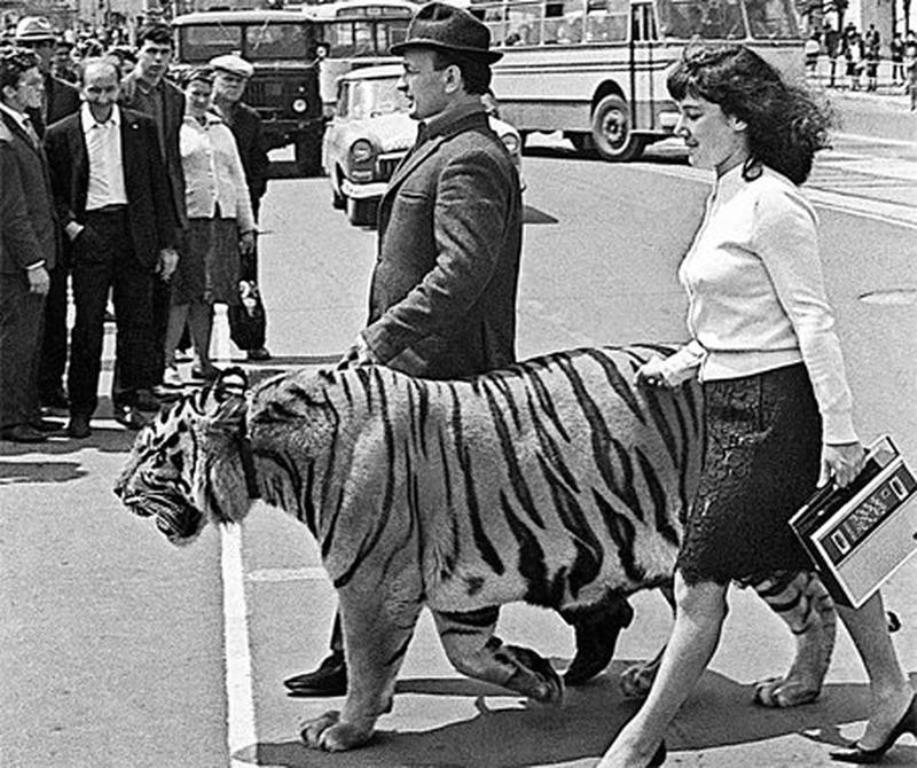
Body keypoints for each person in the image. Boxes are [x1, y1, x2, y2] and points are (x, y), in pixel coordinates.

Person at [283, 0, 631, 699]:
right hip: (416, 368)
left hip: (448, 373)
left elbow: (461, 272)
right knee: (389, 512)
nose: (403, 83)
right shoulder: (440, 141)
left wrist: (385, 335)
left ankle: (593, 608)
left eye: (413, 71)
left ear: (450, 77)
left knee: (470, 521)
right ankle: (350, 655)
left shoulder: (470, 155)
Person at [599, 44, 917, 768]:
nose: (679, 126)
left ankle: (637, 744)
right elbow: (736, 314)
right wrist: (684, 362)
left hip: (773, 414)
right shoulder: (725, 190)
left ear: (738, 119)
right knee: (833, 551)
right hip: (731, 404)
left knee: (697, 583)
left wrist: (840, 434)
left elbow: (812, 323)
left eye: (692, 114)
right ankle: (892, 691)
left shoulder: (774, 203)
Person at [44, 58, 178, 439]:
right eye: (94, 90)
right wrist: (73, 228)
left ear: (120, 88)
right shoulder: (61, 134)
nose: (102, 99)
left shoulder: (141, 127)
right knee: (88, 326)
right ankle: (81, 408)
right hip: (91, 233)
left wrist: (167, 244)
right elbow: (53, 191)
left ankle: (128, 400)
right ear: (81, 90)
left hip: (134, 232)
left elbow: (158, 184)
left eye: (109, 90)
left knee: (136, 324)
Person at [162, 67, 255, 387]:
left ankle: (203, 360)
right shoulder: (174, 129)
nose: (201, 100)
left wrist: (247, 225)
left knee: (208, 293)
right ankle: (167, 362)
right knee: (181, 294)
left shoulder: (221, 130)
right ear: (183, 94)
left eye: (206, 94)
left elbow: (237, 178)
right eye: (195, 94)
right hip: (188, 220)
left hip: (220, 220)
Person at [13, 16, 80, 415]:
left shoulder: (69, 95)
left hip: (60, 214)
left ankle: (50, 386)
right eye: (29, 45)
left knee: (56, 310)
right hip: (24, 214)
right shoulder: (11, 94)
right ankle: (24, 397)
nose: (37, 52)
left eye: (44, 44)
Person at [119, 22, 187, 401]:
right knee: (135, 303)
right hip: (132, 203)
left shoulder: (174, 96)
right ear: (138, 52)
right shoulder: (122, 92)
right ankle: (133, 385)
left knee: (164, 293)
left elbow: (171, 155)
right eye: (152, 52)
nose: (158, 60)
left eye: (165, 53)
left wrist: (177, 212)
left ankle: (156, 373)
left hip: (166, 202)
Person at [0, 46, 59, 443]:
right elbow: (10, 210)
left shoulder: (21, 124)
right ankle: (9, 418)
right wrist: (32, 262)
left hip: (30, 254)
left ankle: (27, 410)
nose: (40, 88)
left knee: (30, 341)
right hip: (14, 262)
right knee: (15, 342)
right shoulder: (4, 138)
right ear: (9, 90)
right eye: (31, 83)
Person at [209, 53, 272, 362]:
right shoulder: (195, 112)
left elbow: (259, 164)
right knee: (198, 276)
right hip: (203, 208)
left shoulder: (250, 119)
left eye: (239, 82)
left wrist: (251, 199)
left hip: (241, 206)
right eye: (227, 79)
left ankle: (251, 339)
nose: (233, 86)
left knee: (246, 276)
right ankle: (188, 345)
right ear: (214, 80)